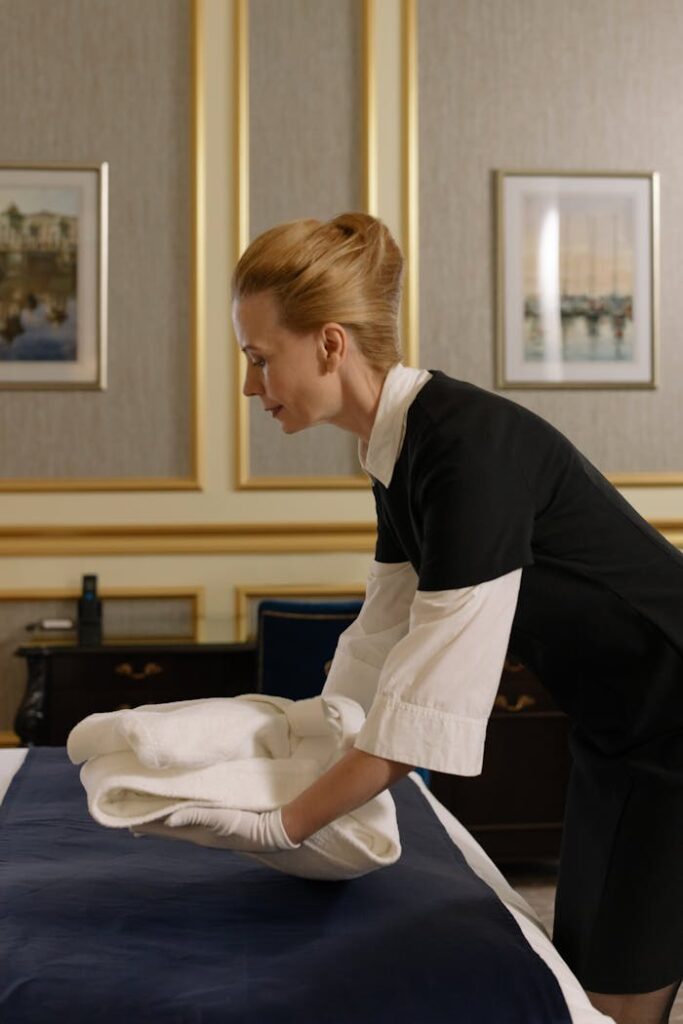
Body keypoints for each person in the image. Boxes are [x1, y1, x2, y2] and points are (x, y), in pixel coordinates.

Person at [191, 213, 682, 1024]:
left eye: (256, 359)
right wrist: (297, 748)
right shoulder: (400, 447)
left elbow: (431, 703)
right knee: (585, 972)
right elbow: (378, 638)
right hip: (619, 729)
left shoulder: (463, 450)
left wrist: (282, 825)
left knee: (615, 998)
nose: (250, 387)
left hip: (671, 720)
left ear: (329, 343)